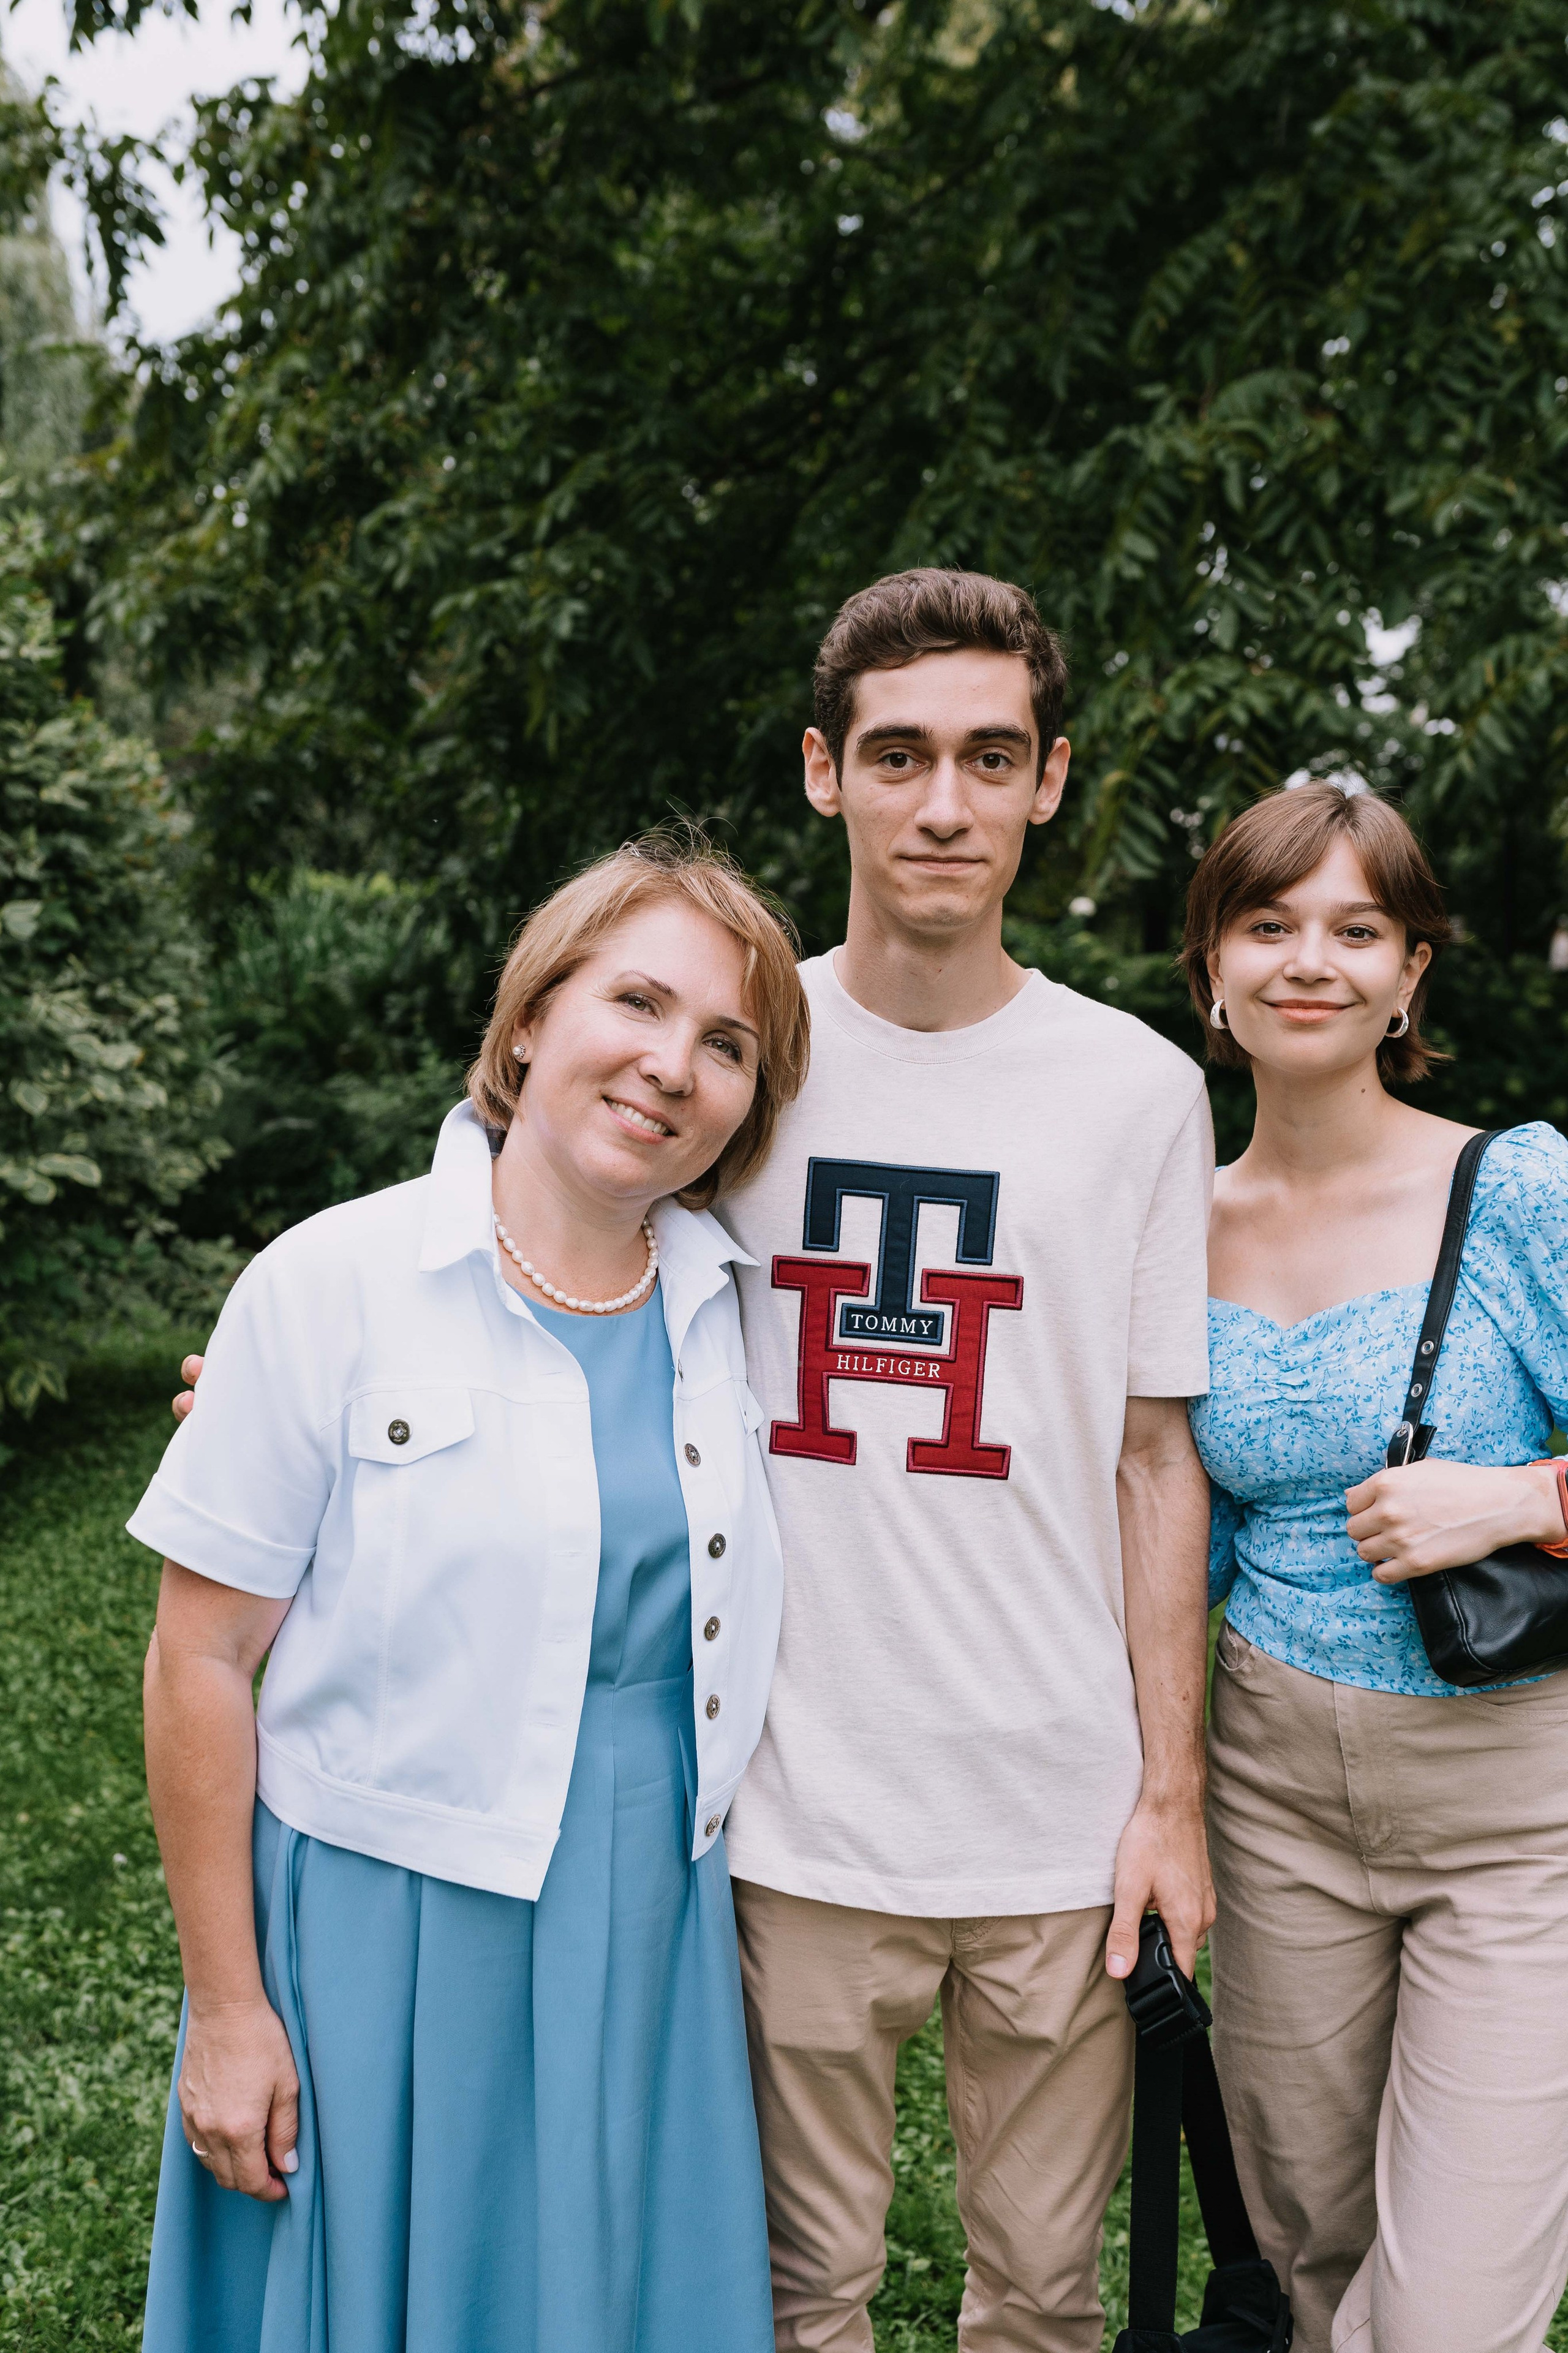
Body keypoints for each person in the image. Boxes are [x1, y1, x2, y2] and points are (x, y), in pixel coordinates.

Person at [130, 834, 810, 2353]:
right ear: (526, 1022)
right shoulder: (330, 1284)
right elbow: (198, 1662)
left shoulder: (730, 1312)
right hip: (383, 1913)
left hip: (649, 1902)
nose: (668, 1066)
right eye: (634, 1001)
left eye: (723, 1045)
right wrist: (230, 2012)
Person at [717, 568, 1216, 2351]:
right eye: (901, 754)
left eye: (990, 758)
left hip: (1056, 1818)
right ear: (821, 772)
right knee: (797, 2299)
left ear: (1052, 780)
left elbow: (1159, 1461)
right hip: (791, 1807)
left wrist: (1169, 1798)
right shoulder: (734, 1051)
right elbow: (535, 1214)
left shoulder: (1140, 1086)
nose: (945, 804)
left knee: (1042, 2302)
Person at [1185, 781, 1568, 2353]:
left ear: (1412, 972)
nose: (1309, 962)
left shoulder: (1518, 1189)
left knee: (1447, 2320)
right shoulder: (1171, 1224)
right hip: (1266, 1792)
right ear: (1207, 966)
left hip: (1514, 1805)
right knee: (1307, 2261)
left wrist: (1515, 1497)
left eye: (1355, 930)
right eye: (1267, 925)